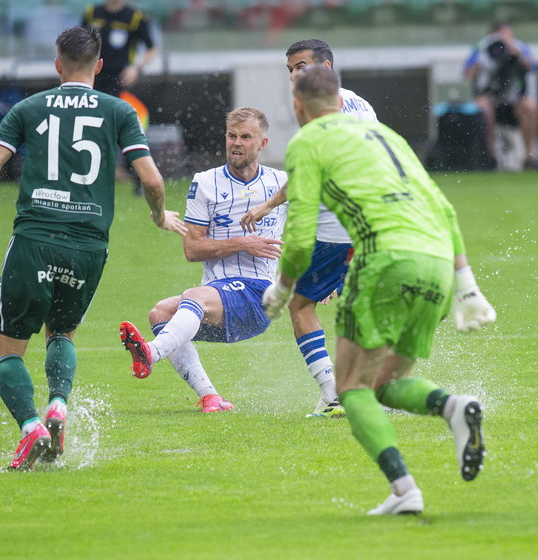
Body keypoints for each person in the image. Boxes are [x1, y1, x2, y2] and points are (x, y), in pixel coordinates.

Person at [263, 64, 496, 515]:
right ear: (340, 98)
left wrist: (283, 287)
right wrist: (467, 284)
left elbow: (300, 232)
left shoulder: (308, 141)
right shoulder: (389, 136)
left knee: (350, 388)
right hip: (437, 266)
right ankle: (455, 408)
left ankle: (404, 489)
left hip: (385, 262)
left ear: (298, 106)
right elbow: (443, 208)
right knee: (385, 383)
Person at [0, 26, 186, 470]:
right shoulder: (118, 110)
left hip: (35, 238)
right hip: (89, 246)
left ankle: (31, 427)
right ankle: (58, 406)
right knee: (62, 333)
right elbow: (151, 179)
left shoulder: (27, 108)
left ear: (57, 64)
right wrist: (159, 215)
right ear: (100, 66)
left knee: (8, 352)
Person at [118, 107, 287, 413]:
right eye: (231, 135)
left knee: (192, 297)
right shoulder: (206, 182)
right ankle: (211, 397)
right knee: (159, 313)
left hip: (259, 294)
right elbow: (192, 249)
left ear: (262, 143)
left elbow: (315, 217)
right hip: (217, 297)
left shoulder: (279, 184)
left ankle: (151, 353)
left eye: (246, 137)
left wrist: (325, 277)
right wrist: (242, 242)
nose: (236, 143)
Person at [240, 39, 376, 419]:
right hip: (371, 225)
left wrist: (268, 203)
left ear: (326, 68)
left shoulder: (317, 115)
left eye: (300, 67)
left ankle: (335, 393)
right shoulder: (362, 105)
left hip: (333, 225)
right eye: (290, 70)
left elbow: (308, 171)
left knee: (299, 304)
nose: (294, 76)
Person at [464, 21, 538, 170]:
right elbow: (467, 74)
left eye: (507, 37)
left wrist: (515, 51)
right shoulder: (482, 47)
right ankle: (491, 159)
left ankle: (529, 158)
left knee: (530, 107)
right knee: (484, 110)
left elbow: (532, 66)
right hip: (490, 97)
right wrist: (482, 59)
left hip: (513, 98)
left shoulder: (519, 46)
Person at [82, 0, 157, 98]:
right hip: (93, 74)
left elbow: (151, 49)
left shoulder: (135, 17)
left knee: (117, 110)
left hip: (121, 77)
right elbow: (80, 42)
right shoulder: (92, 12)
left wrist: (136, 68)